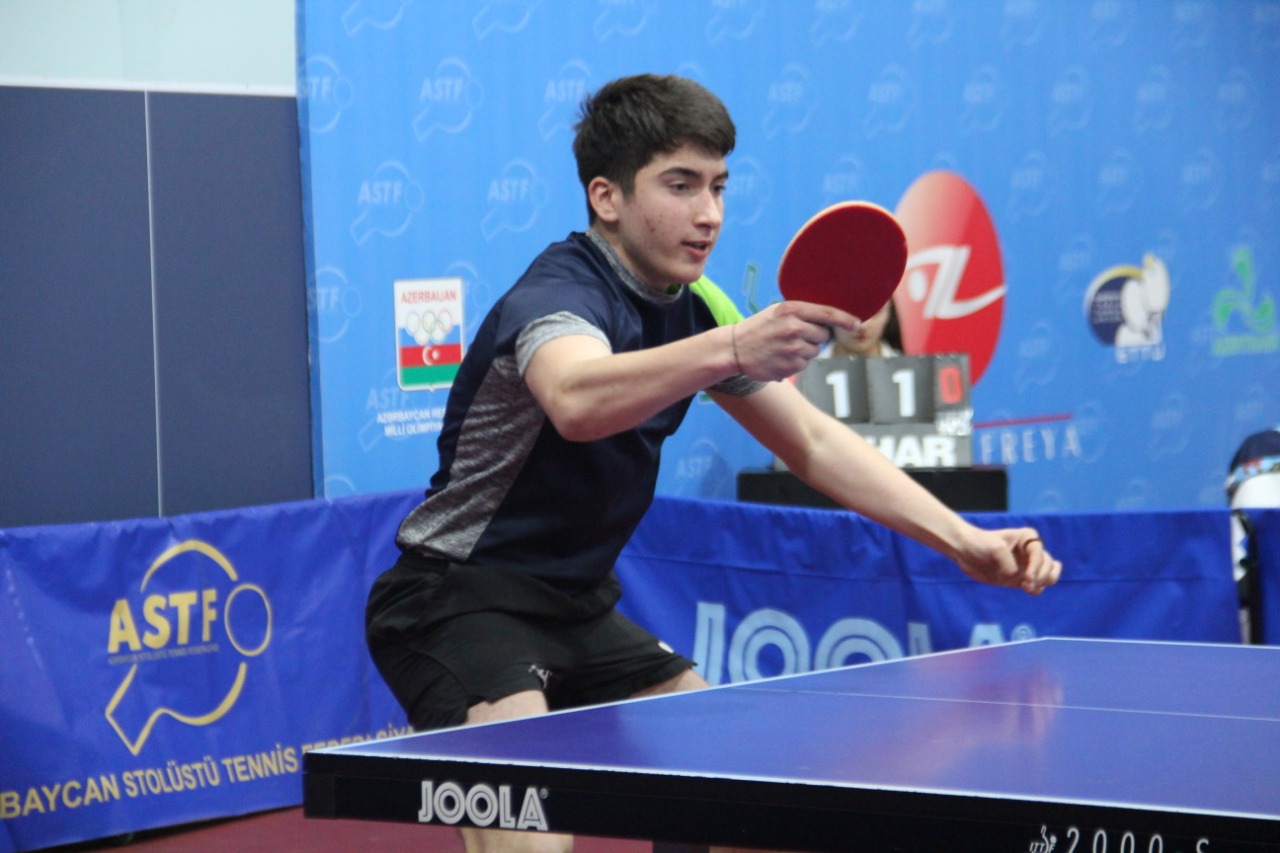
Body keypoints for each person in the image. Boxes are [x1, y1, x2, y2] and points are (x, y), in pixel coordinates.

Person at [365, 73, 1061, 853]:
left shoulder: (696, 307)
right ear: (606, 197)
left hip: (575, 606)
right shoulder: (557, 296)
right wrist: (730, 347)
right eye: (681, 185)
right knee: (531, 831)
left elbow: (813, 443)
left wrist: (967, 541)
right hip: (456, 599)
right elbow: (575, 397)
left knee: (739, 802)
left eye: (719, 186)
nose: (709, 214)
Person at [818, 294, 902, 358]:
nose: (862, 326)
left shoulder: (907, 371)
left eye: (874, 312)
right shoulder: (810, 371)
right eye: (847, 311)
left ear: (889, 312)